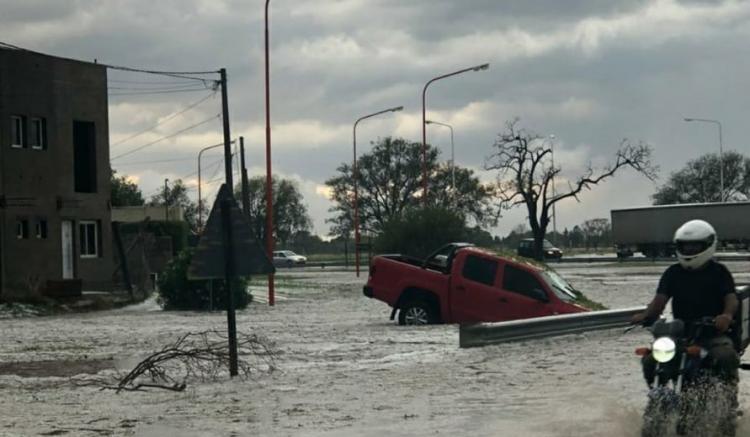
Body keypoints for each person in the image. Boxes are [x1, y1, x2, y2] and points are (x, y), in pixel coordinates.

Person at [631, 219, 740, 385]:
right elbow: (660, 300)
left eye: (694, 246)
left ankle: (727, 401)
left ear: (709, 245)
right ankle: (657, 395)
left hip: (712, 332)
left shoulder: (719, 272)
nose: (689, 250)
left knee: (725, 356)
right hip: (680, 333)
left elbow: (731, 298)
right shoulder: (672, 273)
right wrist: (645, 315)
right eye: (685, 246)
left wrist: (725, 316)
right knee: (651, 359)